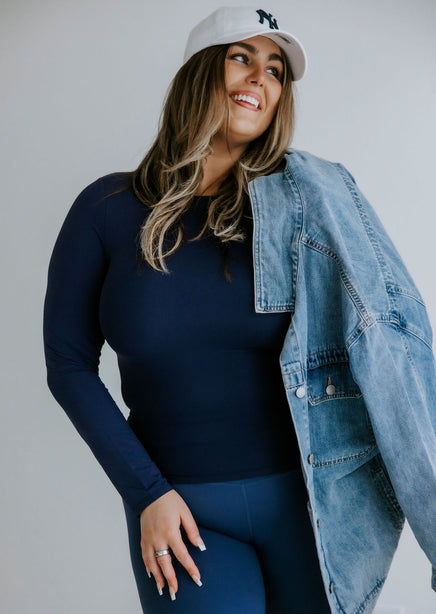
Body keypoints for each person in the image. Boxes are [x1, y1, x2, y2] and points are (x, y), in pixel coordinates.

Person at [43, 6, 436, 614]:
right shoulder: (107, 209)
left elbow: (389, 340)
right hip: (180, 514)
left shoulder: (309, 210)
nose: (260, 78)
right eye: (241, 58)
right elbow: (68, 364)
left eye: (275, 70)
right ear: (200, 73)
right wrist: (145, 493)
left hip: (312, 509)